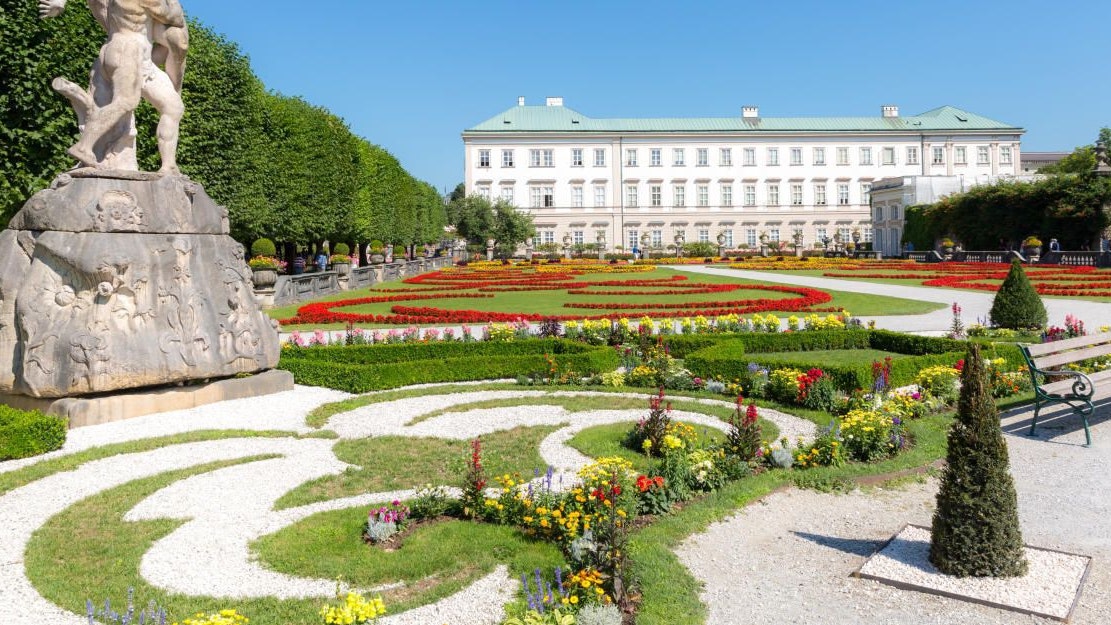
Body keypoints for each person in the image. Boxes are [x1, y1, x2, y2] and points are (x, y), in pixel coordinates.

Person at [40, 0, 187, 174]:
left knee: (173, 107)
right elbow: (175, 18)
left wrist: (59, 2)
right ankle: (84, 147)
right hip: (129, 51)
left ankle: (169, 166)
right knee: (125, 102)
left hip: (135, 56)